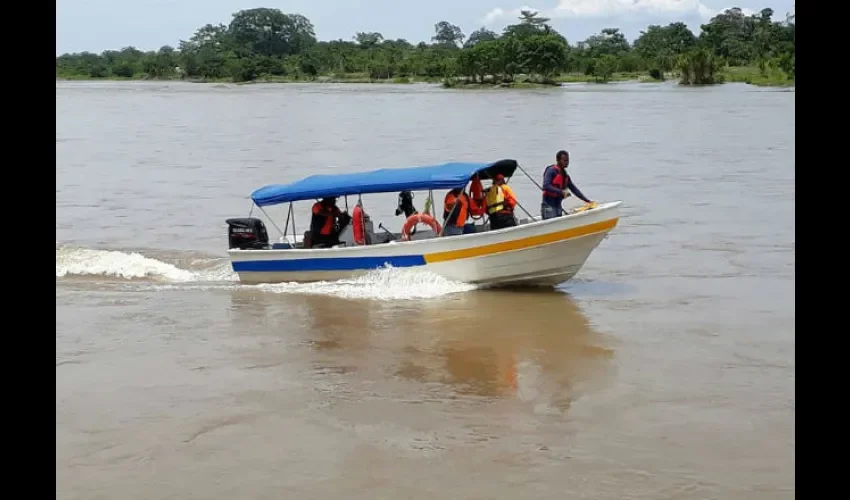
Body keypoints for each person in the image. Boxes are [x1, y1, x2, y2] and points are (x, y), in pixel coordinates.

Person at [541, 150, 593, 220]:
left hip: (557, 204)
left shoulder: (565, 176)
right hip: (548, 205)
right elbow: (546, 186)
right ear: (558, 160)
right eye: (564, 160)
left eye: (567, 160)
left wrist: (587, 201)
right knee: (553, 223)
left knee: (558, 223)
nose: (566, 162)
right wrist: (562, 192)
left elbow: (574, 190)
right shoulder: (551, 171)